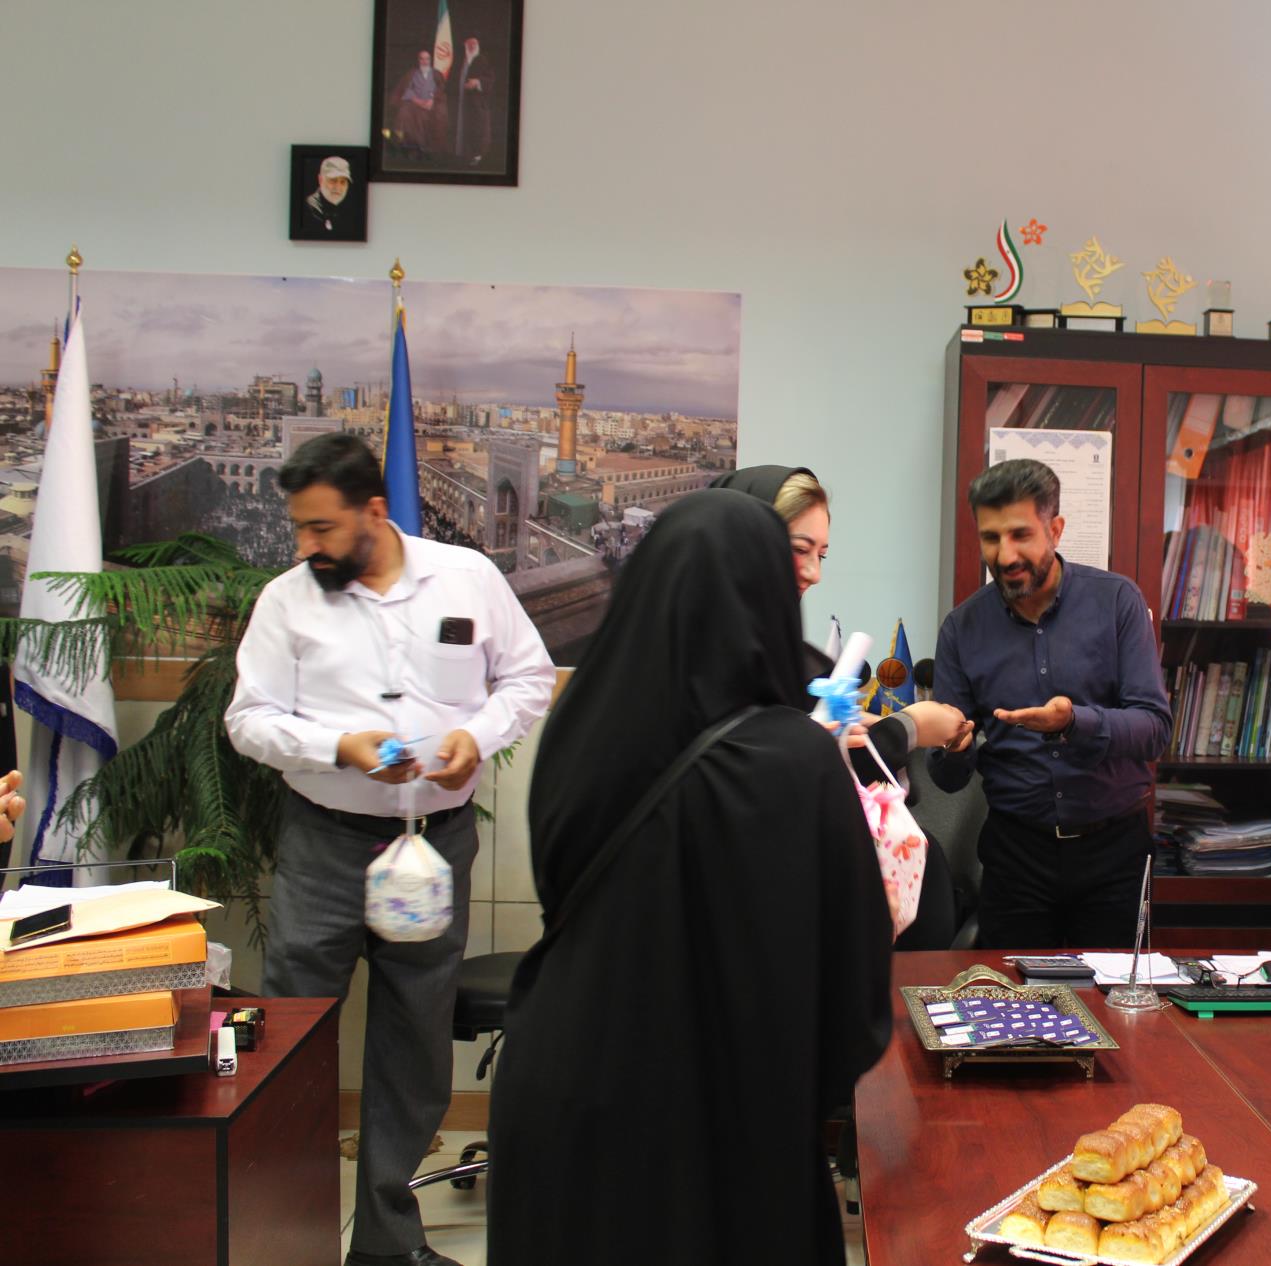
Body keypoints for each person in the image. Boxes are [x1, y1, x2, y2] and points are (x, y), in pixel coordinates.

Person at [487, 490, 892, 1265]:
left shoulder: (578, 728)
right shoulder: (797, 761)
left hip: (565, 1096)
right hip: (725, 1126)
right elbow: (856, 1000)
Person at [224, 433, 553, 1266]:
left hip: (432, 846)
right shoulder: (286, 601)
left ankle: (386, 1244)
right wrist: (338, 747)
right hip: (324, 845)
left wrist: (477, 738)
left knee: (413, 1043)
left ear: (374, 510)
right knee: (293, 1042)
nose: (307, 545)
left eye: (322, 528)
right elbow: (248, 721)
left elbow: (528, 678)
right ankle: (285, 1240)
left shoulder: (466, 578)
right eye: (299, 528)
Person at [708, 463, 971, 948]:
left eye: (822, 554)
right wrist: (906, 728)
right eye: (799, 550)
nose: (814, 573)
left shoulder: (785, 656)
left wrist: (862, 735)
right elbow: (767, 785)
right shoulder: (710, 662)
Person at [929, 458, 1171, 948]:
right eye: (991, 538)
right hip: (1016, 857)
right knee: (1009, 993)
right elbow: (947, 777)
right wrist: (955, 747)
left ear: (1055, 529)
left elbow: (1154, 729)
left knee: (1112, 995)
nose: (1005, 554)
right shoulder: (962, 629)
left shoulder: (1117, 602)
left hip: (1114, 854)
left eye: (1021, 535)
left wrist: (1074, 722)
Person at [389, 49, 446, 157]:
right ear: (418, 60)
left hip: (432, 103)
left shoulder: (436, 74)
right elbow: (407, 89)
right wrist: (418, 102)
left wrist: (432, 100)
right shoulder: (412, 73)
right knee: (404, 113)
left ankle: (429, 149)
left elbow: (441, 90)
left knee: (439, 114)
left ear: (430, 60)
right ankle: (410, 147)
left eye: (427, 59)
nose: (424, 62)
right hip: (415, 102)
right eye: (422, 59)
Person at [453, 36, 491, 165]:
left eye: (475, 43)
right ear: (465, 45)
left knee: (477, 129)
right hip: (461, 103)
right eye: (469, 43)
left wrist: (478, 82)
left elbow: (491, 79)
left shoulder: (482, 60)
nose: (472, 46)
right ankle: (463, 155)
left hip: (477, 104)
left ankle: (477, 156)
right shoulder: (461, 61)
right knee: (462, 127)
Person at [302, 155, 357, 236]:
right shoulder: (310, 211)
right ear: (320, 180)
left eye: (343, 182)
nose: (338, 187)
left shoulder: (350, 211)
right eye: (333, 180)